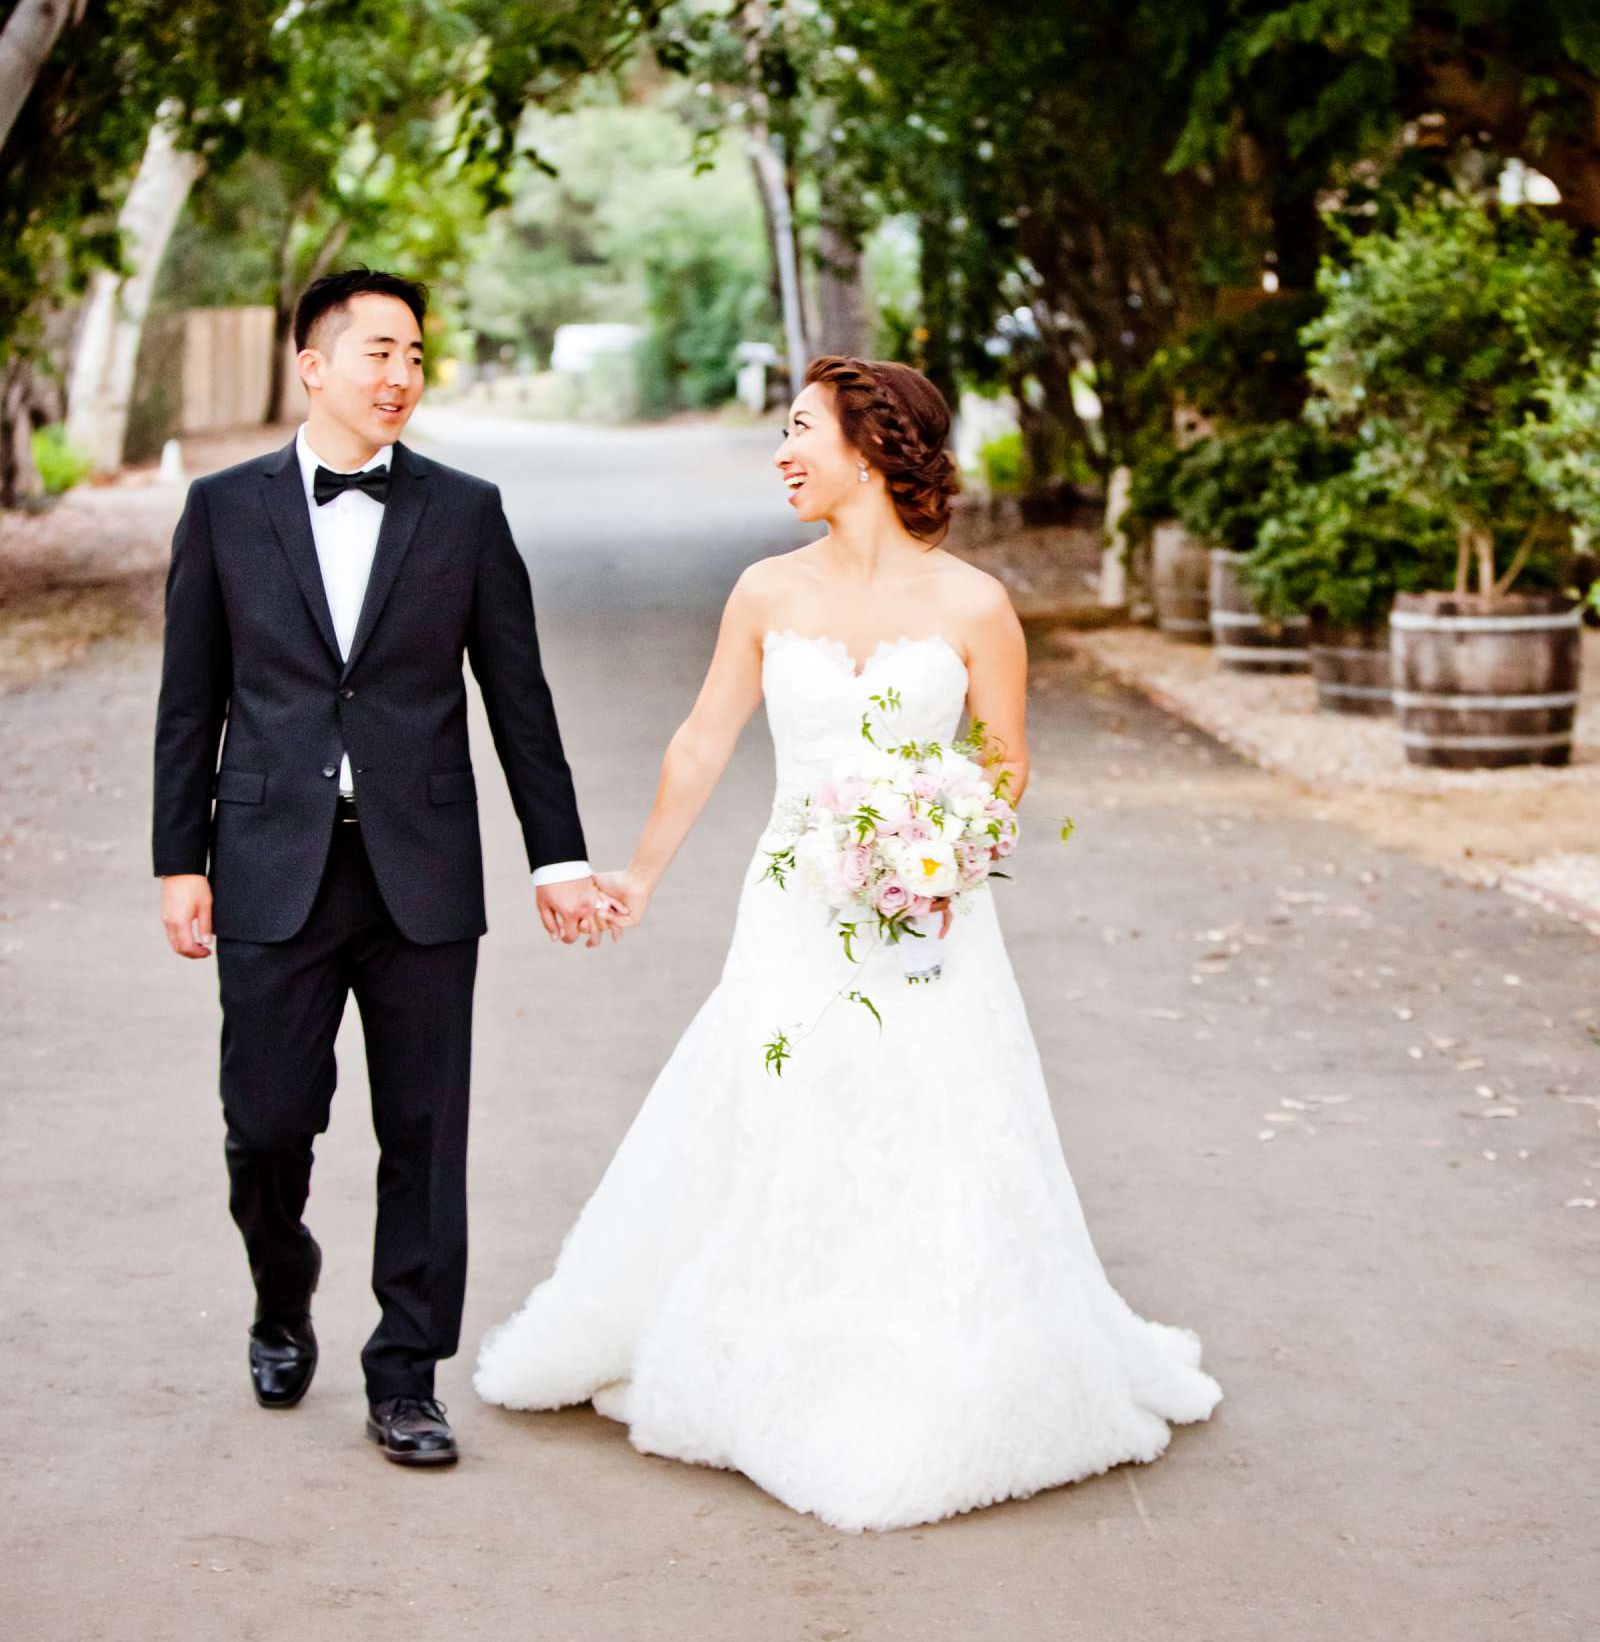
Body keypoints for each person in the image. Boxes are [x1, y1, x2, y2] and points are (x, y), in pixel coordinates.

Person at [475, 356, 1223, 1531]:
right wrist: (638, 877)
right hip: (792, 897)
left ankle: (943, 1357)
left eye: (799, 430)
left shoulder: (974, 604)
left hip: (929, 914)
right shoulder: (766, 592)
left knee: (935, 1107)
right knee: (787, 1096)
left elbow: (1005, 761)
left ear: (871, 449)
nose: (781, 452)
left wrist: (945, 843)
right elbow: (701, 741)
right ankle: (774, 1344)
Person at [153, 268, 610, 1468]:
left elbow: (519, 698)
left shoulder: (463, 512)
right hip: (264, 865)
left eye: (414, 354)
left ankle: (406, 1375)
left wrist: (556, 856)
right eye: (378, 353)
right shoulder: (222, 508)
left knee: (424, 1131)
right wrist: (176, 861)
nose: (401, 374)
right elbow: (189, 699)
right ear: (314, 366)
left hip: (419, 871)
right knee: (265, 1126)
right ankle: (280, 1286)